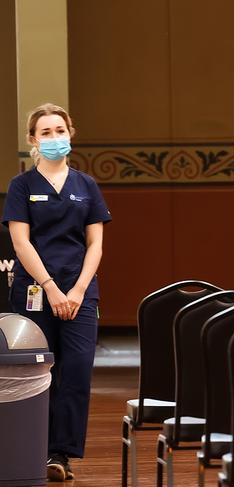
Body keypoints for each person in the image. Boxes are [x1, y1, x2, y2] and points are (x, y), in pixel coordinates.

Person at [1, 103, 111, 481]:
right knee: (37, 371)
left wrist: (77, 290)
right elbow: (21, 243)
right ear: (33, 140)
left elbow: (95, 244)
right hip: (36, 291)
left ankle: (59, 455)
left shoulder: (87, 186)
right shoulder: (22, 186)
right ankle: (31, 447)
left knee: (77, 369)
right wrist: (50, 287)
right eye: (45, 133)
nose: (54, 138)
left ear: (70, 134)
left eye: (59, 130)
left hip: (80, 292)